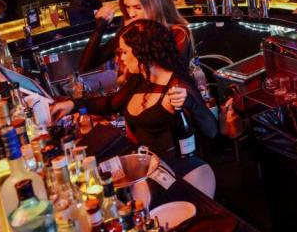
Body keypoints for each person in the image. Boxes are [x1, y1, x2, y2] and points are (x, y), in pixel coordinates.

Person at [53, 19, 216, 196]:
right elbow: (110, 104)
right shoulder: (139, 79)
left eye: (124, 52)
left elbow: (212, 130)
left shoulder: (177, 85)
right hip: (148, 168)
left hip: (182, 171)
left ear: (142, 52)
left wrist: (190, 103)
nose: (120, 58)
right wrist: (73, 104)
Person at [78, 0, 193, 73]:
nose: (131, 14)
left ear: (155, 5)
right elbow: (85, 66)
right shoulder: (131, 32)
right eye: (127, 7)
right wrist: (100, 28)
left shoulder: (177, 33)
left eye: (137, 7)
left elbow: (171, 75)